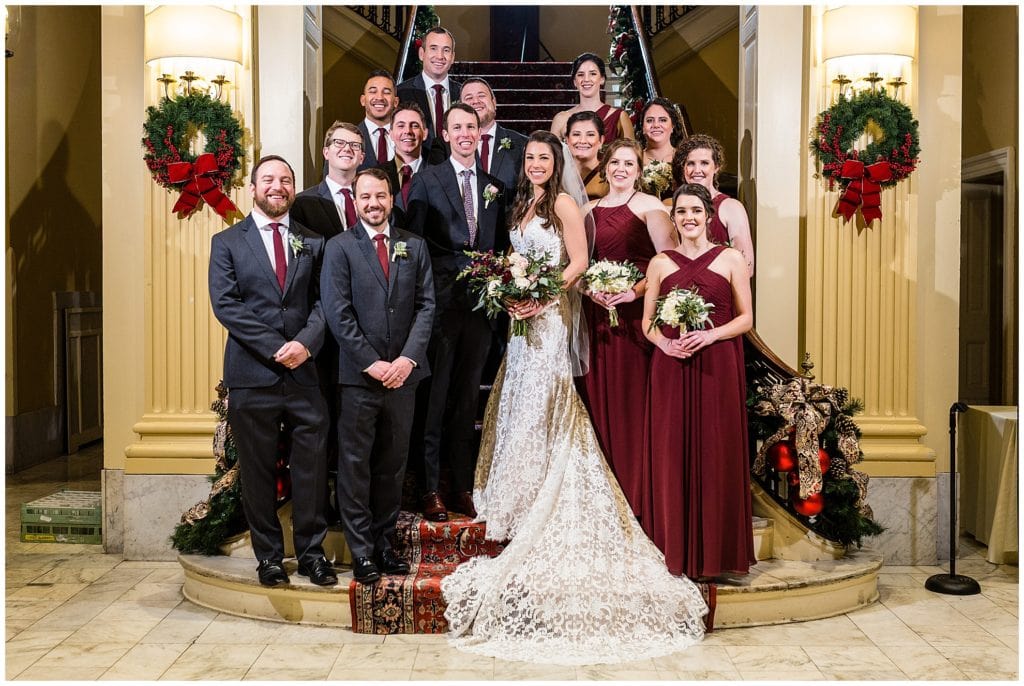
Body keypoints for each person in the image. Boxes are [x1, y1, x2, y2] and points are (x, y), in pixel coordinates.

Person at [441, 131, 707, 665]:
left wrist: (539, 296)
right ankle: (517, 498)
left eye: (546, 157)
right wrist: (510, 293)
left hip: (550, 315)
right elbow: (511, 260)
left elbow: (579, 262)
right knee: (518, 398)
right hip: (522, 320)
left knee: (545, 399)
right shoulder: (521, 201)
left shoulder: (564, 201)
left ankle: (547, 490)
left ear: (557, 162)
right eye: (531, 158)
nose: (538, 164)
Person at [208, 155, 336, 588]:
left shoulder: (314, 242)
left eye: (285, 180)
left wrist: (305, 343)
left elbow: (325, 303)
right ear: (252, 188)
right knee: (258, 471)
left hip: (305, 373)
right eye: (268, 179)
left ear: (294, 188)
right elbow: (227, 305)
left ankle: (313, 553)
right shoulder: (226, 243)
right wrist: (276, 347)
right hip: (252, 374)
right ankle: (268, 558)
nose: (277, 186)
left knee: (312, 469)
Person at [320, 168, 435, 584]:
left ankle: (384, 542)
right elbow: (338, 312)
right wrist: (370, 361)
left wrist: (407, 360)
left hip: (403, 377)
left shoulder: (414, 246)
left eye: (380, 196)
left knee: (392, 465)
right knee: (355, 465)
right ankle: (361, 550)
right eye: (365, 196)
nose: (373, 203)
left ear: (391, 198)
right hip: (358, 378)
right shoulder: (339, 248)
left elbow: (426, 308)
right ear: (354, 200)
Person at [641, 183, 755, 581]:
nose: (689, 217)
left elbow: (746, 319)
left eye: (696, 210)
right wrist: (664, 345)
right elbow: (647, 323)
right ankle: (673, 550)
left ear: (709, 216)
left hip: (717, 365)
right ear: (674, 219)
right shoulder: (659, 263)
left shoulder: (730, 259)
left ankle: (715, 554)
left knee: (715, 451)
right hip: (670, 367)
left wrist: (711, 334)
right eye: (682, 211)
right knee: (671, 453)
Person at [405, 103, 507, 522]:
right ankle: (430, 487)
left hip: (482, 309)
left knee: (466, 401)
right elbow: (415, 245)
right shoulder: (426, 181)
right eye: (457, 127)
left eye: (472, 126)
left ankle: (463, 485)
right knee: (436, 398)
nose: (466, 133)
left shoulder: (494, 185)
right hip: (441, 306)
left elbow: (499, 245)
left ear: (481, 132)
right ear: (444, 134)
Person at [578, 138, 676, 516]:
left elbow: (667, 265)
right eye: (615, 162)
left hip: (636, 320)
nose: (621, 169)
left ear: (639, 170)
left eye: (629, 163)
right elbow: (581, 266)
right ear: (605, 167)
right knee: (598, 403)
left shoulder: (651, 206)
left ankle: (637, 494)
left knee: (632, 404)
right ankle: (605, 497)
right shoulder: (589, 210)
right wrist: (593, 293)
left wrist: (632, 294)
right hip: (599, 318)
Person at [672, 134, 755, 275]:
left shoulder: (731, 207)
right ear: (683, 167)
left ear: (716, 167)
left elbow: (747, 266)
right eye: (690, 163)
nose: (697, 170)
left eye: (704, 163)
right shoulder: (673, 208)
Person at [397, 26, 462, 163]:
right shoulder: (401, 92)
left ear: (452, 57)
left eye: (446, 50)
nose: (440, 56)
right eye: (433, 48)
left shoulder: (463, 94)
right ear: (422, 54)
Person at [291, 121, 365, 238]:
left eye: (355, 145)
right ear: (326, 153)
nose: (347, 149)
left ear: (362, 157)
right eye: (339, 143)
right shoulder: (302, 203)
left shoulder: (374, 199)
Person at [460, 76, 527, 198]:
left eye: (481, 95)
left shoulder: (522, 144)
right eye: (469, 98)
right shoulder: (450, 146)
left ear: (494, 102)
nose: (475, 101)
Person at [550, 52, 634, 142]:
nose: (586, 79)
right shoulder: (561, 119)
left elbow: (631, 154)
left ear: (602, 79)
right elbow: (553, 154)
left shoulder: (619, 117)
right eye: (580, 74)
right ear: (574, 81)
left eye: (593, 74)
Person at [374, 101, 429, 223]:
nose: (407, 131)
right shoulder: (376, 175)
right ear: (391, 134)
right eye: (401, 125)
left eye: (414, 125)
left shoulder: (438, 175)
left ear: (425, 133)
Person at [636, 97, 687, 201]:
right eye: (650, 120)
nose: (656, 125)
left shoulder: (686, 159)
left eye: (663, 120)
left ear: (672, 125)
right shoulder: (633, 159)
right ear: (643, 127)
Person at [357, 69, 399, 170]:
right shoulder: (346, 139)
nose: (379, 97)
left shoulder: (408, 138)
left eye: (386, 92)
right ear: (363, 100)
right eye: (373, 91)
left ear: (396, 102)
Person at [564, 110, 608, 201]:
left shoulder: (610, 174)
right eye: (576, 134)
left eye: (590, 135)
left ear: (601, 141)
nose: (582, 141)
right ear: (567, 140)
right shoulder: (556, 172)